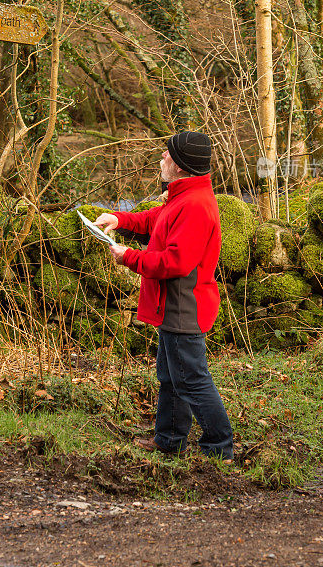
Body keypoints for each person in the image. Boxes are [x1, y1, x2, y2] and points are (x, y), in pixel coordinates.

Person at [94, 131, 233, 460]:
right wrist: (120, 219)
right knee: (171, 377)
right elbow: (157, 219)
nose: (162, 159)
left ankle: (220, 448)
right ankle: (170, 439)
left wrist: (129, 257)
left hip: (185, 307)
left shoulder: (196, 205)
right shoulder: (183, 197)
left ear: (181, 166)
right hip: (174, 306)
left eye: (167, 155)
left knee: (192, 380)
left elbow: (176, 262)